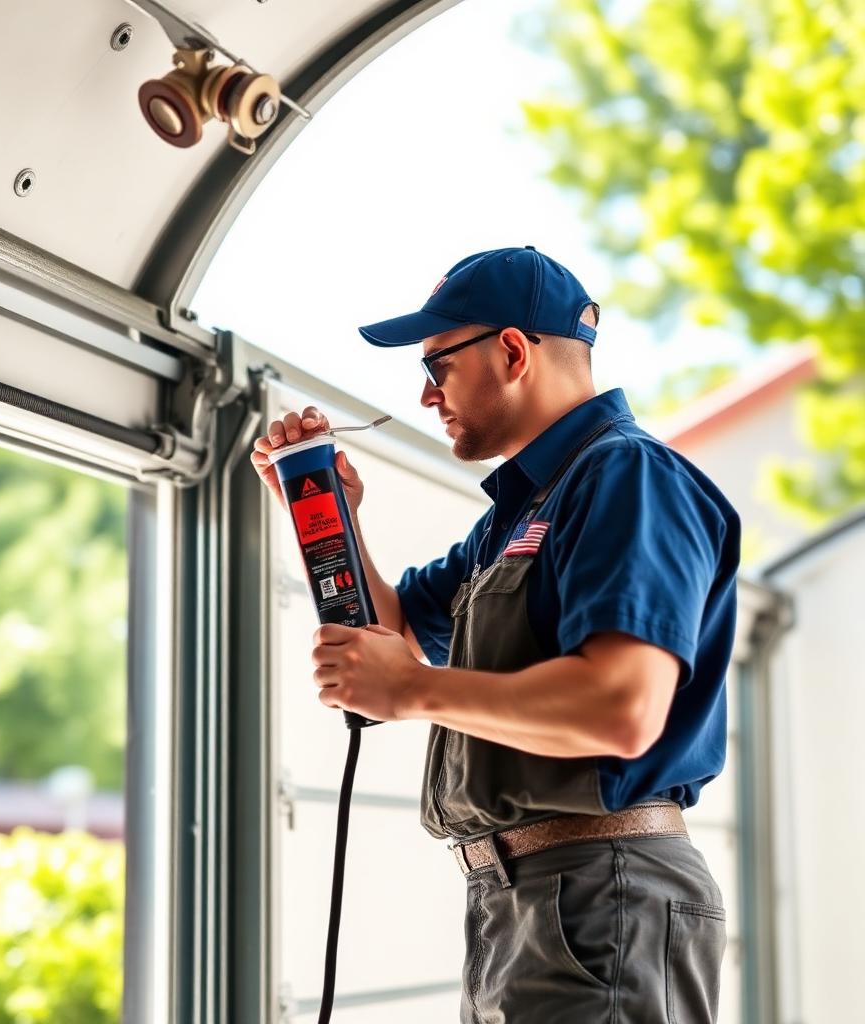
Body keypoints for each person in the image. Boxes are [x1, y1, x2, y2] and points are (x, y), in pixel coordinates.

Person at [250, 245, 740, 1023]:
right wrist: (328, 517)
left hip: (599, 893)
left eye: (437, 365)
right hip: (521, 902)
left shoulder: (628, 479)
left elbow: (622, 708)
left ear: (513, 351)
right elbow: (401, 633)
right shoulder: (516, 518)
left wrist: (410, 692)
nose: (424, 394)